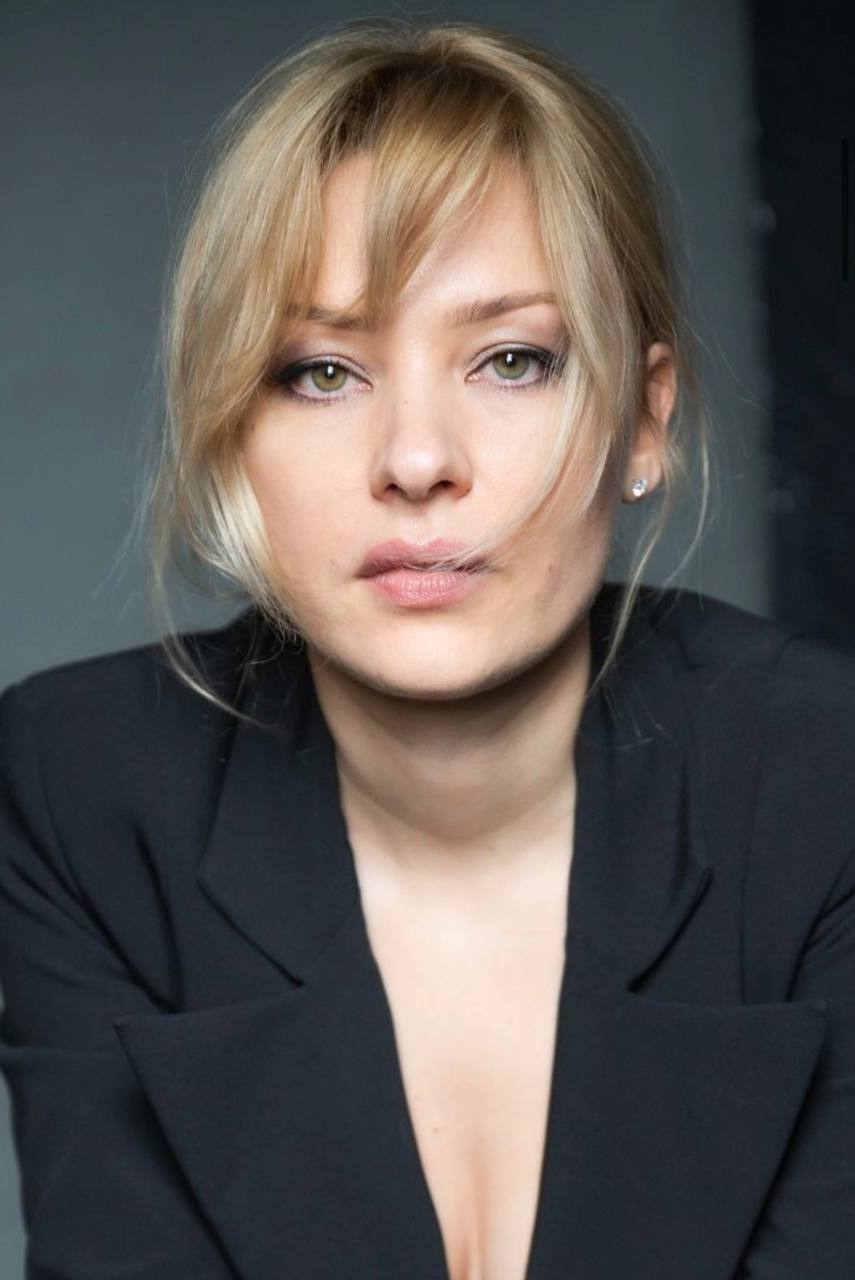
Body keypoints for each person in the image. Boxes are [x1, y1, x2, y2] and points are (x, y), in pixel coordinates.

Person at [1, 17, 853, 1280]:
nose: (415, 459)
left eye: (512, 360)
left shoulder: (824, 782)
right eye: (320, 371)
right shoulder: (84, 791)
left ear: (642, 420)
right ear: (231, 426)